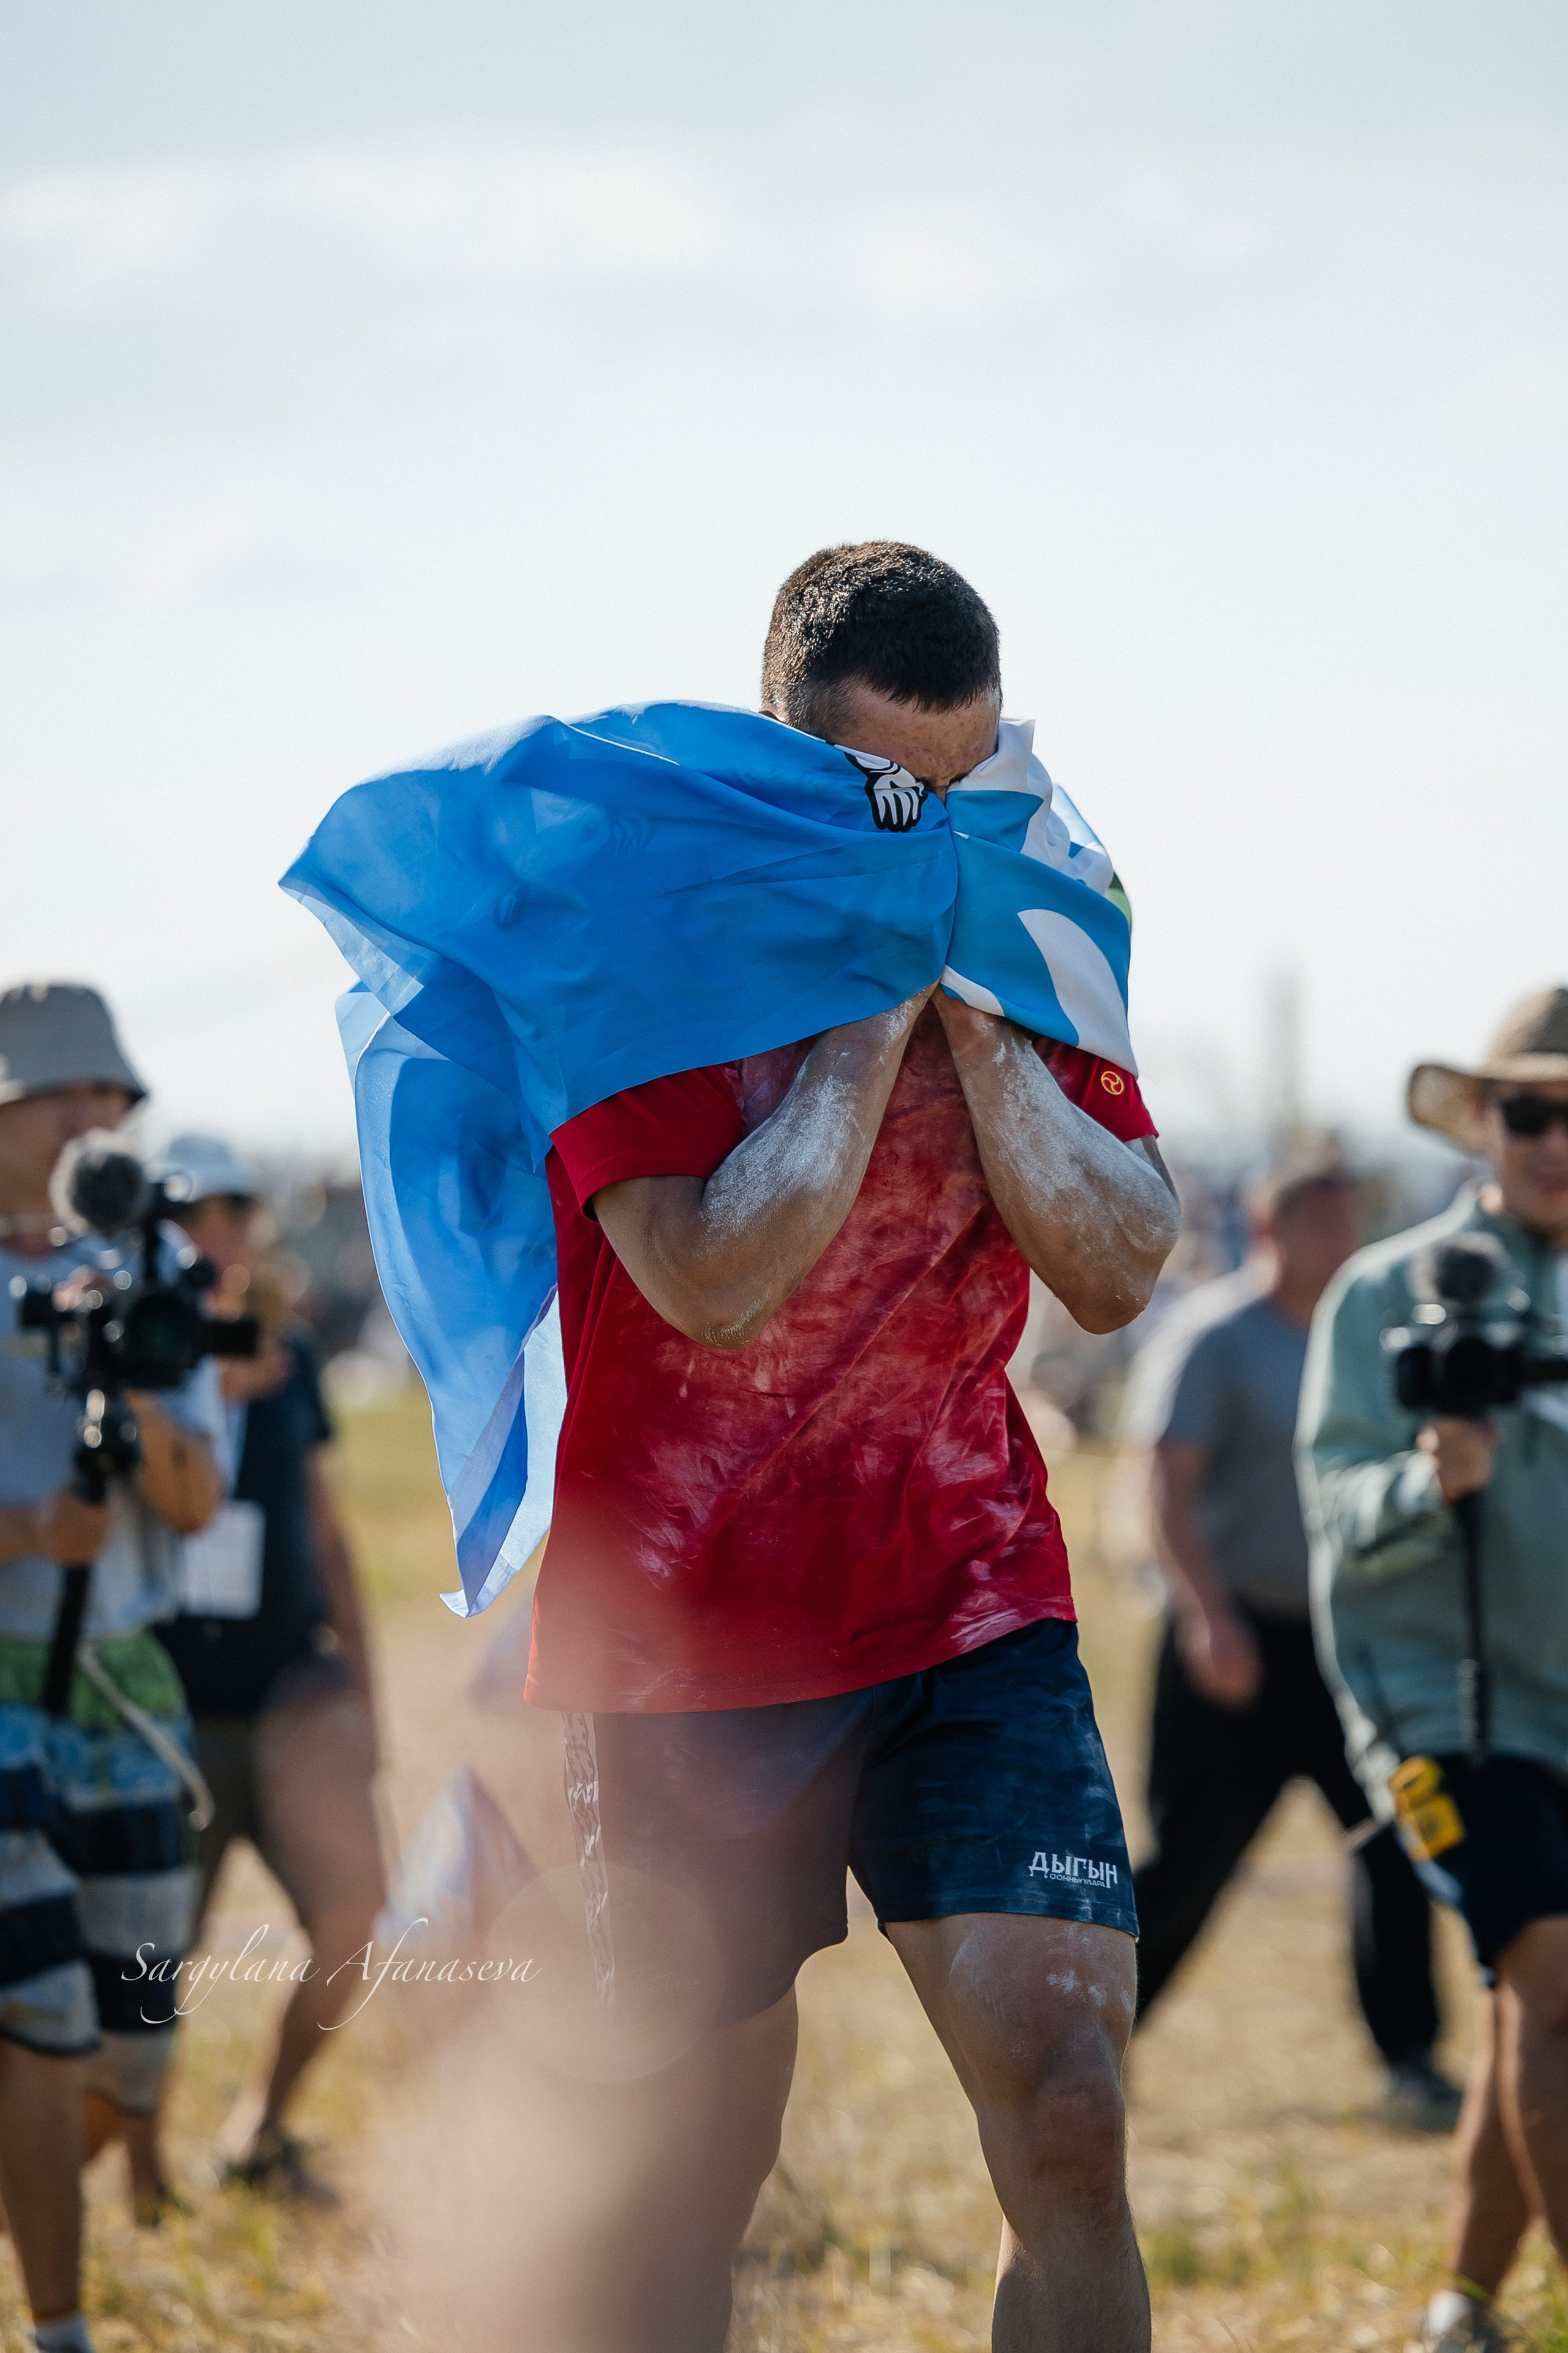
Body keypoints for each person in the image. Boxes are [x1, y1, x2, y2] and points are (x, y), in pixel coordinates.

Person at [524, 543, 1181, 2352]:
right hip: (688, 1632)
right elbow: (713, 1278)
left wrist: (974, 1010)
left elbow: (1121, 1269)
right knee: (692, 2174)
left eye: (967, 790)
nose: (939, 831)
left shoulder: (1027, 914)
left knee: (1069, 2107)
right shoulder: (634, 935)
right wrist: (877, 998)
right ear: (787, 754)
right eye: (897, 797)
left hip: (967, 1596)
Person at [1300, 987, 1568, 2353]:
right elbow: (1330, 1509)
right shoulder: (1380, 1292)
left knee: (1530, 2003)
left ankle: (1460, 2308)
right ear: (1482, 1119)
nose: (1554, 1138)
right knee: (1556, 1979)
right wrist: (1422, 1482)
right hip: (1437, 1708)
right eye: (1530, 1107)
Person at [1126, 1150, 1458, 2124]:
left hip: (1351, 1650)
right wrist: (1207, 1616)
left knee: (1396, 1840)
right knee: (1192, 1858)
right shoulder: (1218, 1337)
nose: (1343, 1240)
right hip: (1237, 1646)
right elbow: (1166, 1484)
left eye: (1350, 1221)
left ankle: (1412, 2059)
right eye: (1322, 1222)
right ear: (1272, 1229)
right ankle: (1087, 2046)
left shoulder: (1370, 1337)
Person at [0, 984, 225, 2353]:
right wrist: (29, 1528)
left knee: (133, 2042)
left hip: (130, 1688)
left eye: (110, 1098)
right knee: (37, 2012)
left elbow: (195, 1504)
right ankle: (64, 2324)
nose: (94, 1122)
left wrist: (132, 1370)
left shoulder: (160, 1272)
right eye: (59, 1094)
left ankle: (38, 2205)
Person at [149, 1135, 385, 2204]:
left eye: (238, 1207)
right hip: (168, 1707)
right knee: (150, 1956)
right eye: (197, 1210)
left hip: (294, 1692)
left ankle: (261, 2126)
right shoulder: (136, 1361)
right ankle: (141, 2165)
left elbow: (330, 1534)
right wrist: (200, 1378)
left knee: (354, 1918)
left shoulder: (290, 1356)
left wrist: (364, 1691)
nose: (223, 1228)